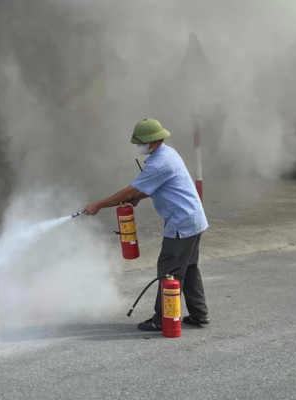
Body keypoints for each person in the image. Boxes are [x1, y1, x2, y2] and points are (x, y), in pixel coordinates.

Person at [83, 118, 210, 331]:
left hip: (181, 223)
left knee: (169, 270)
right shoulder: (167, 153)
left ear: (152, 142)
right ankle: (199, 314)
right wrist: (141, 196)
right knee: (188, 268)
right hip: (192, 219)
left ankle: (162, 320)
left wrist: (99, 205)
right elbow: (159, 187)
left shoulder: (160, 163)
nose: (138, 146)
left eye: (140, 142)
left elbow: (130, 191)